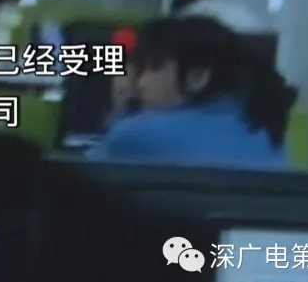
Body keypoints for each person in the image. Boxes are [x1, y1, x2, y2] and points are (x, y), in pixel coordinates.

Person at [87, 15, 290, 170]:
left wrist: (120, 111)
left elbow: (83, 182)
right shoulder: (266, 131)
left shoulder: (137, 133)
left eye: (155, 68)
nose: (141, 83)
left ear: (197, 78)